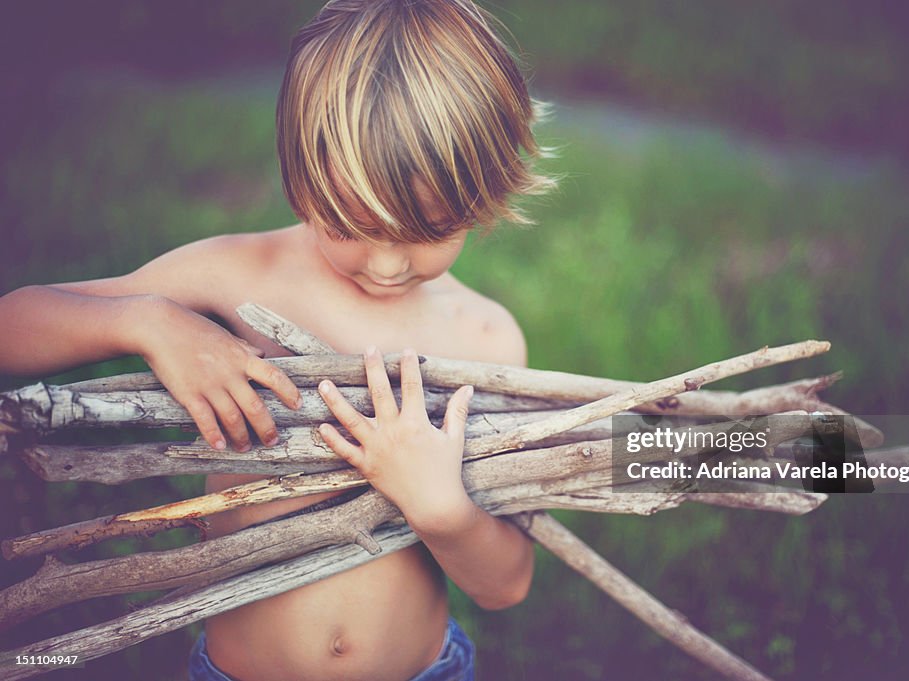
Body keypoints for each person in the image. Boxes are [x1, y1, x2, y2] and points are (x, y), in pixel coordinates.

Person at [0, 1, 555, 679]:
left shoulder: (488, 341)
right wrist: (145, 319)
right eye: (350, 224)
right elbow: (13, 326)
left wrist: (441, 509)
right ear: (302, 176)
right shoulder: (237, 276)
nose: (385, 264)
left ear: (484, 191)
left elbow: (507, 583)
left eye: (429, 229)